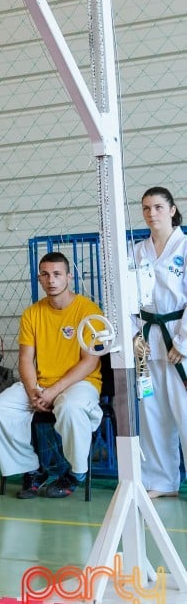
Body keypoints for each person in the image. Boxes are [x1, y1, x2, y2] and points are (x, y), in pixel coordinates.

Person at [0, 251, 103, 498]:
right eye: (46, 274)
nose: (51, 280)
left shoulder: (89, 311)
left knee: (71, 408)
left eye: (57, 274)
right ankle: (32, 468)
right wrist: (33, 392)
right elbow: (25, 360)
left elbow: (89, 362)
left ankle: (76, 474)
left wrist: (51, 392)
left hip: (80, 383)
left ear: (69, 277)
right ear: (39, 278)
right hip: (40, 384)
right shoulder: (32, 313)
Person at [132, 186, 187, 499]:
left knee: (185, 411)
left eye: (157, 207)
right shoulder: (137, 251)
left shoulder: (185, 246)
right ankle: (163, 480)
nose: (151, 213)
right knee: (153, 411)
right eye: (146, 208)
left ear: (172, 210)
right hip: (148, 343)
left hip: (179, 340)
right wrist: (134, 336)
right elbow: (127, 300)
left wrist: (182, 341)